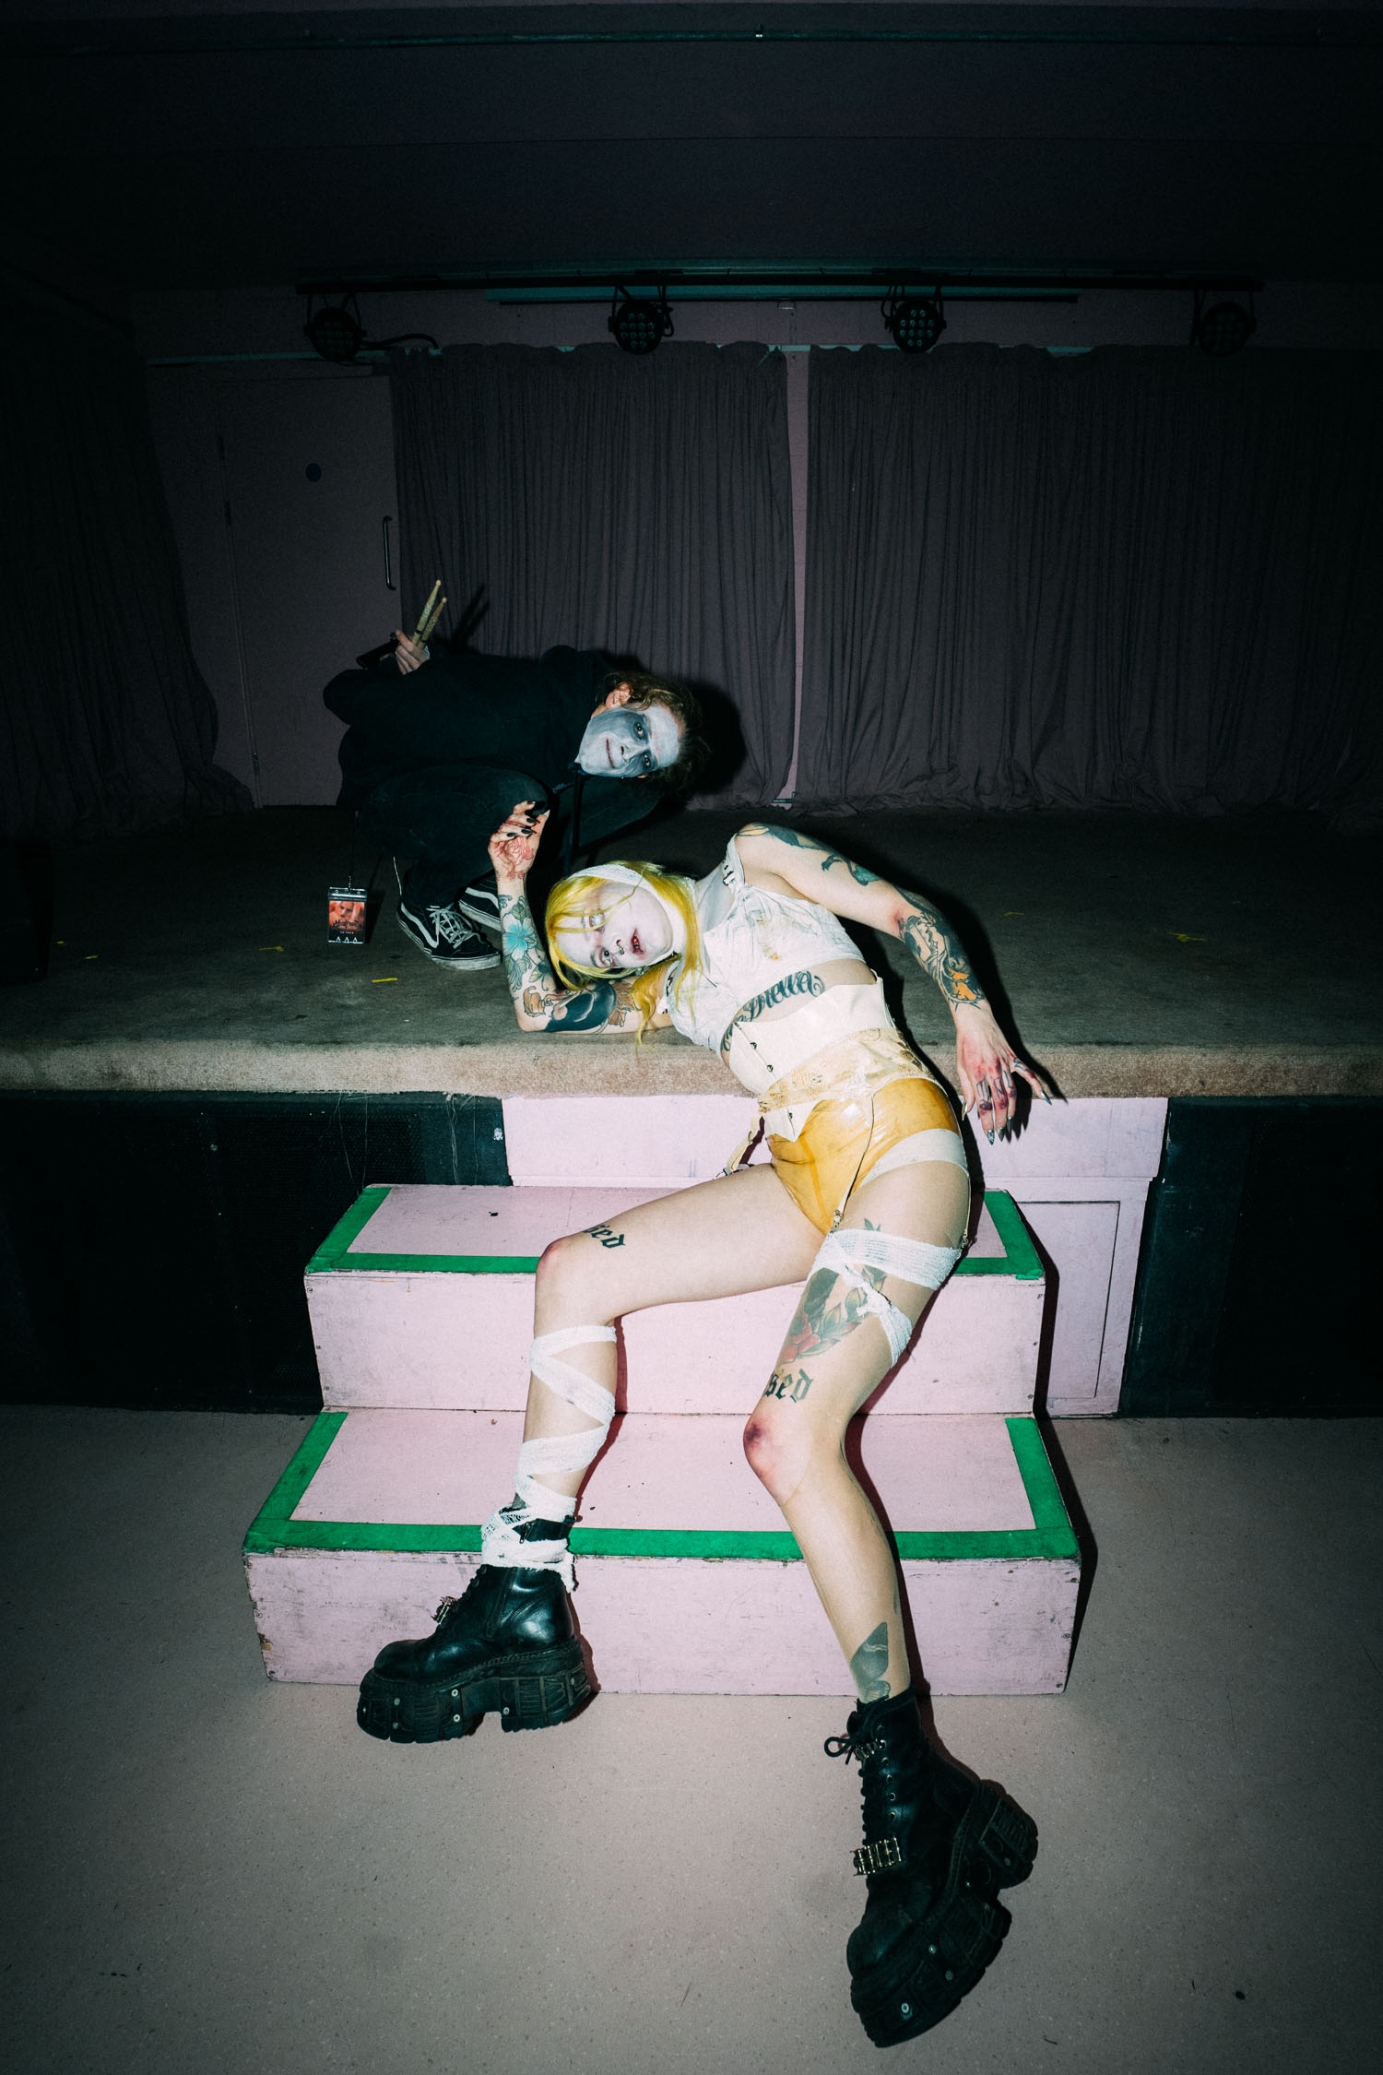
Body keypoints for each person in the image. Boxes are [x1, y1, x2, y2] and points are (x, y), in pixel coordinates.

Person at [356, 806, 1046, 2047]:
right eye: (586, 941)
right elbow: (538, 1008)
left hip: (906, 1149)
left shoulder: (755, 863)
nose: (599, 938)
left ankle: (914, 1782)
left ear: (637, 870)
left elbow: (912, 914)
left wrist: (975, 1013)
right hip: (801, 1177)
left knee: (786, 1439)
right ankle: (523, 1590)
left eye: (595, 908)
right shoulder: (670, 988)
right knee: (570, 1267)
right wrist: (516, 895)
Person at [323, 632, 707, 969]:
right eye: (638, 729)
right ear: (619, 696)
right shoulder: (505, 718)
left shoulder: (597, 738)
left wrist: (438, 663)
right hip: (385, 799)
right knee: (521, 799)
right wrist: (406, 676)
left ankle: (483, 876)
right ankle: (425, 898)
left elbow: (477, 675)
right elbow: (341, 695)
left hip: (467, 788)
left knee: (637, 797)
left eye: (646, 760)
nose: (629, 753)